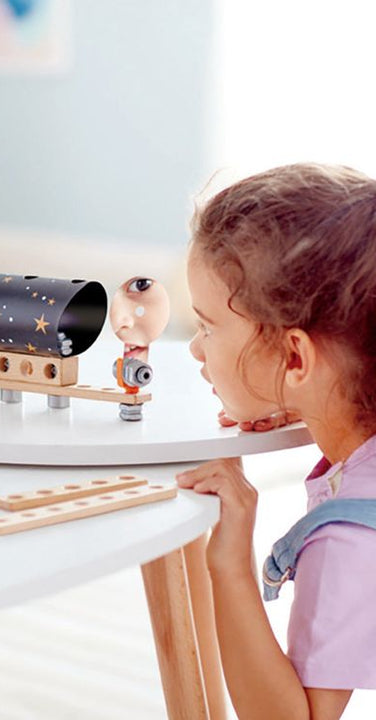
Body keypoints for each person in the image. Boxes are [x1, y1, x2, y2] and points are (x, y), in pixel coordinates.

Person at [177, 163, 376, 719]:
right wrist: (298, 400)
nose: (196, 348)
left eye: (208, 326)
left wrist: (231, 564)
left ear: (294, 358)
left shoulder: (350, 538)